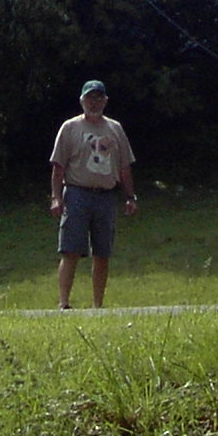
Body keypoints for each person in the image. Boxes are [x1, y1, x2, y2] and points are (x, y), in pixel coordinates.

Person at [48, 79, 138, 309]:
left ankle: (98, 305)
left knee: (102, 252)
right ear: (82, 101)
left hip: (106, 196)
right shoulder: (70, 128)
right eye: (90, 98)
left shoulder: (115, 129)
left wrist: (130, 196)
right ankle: (64, 303)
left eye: (98, 98)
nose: (94, 103)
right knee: (70, 250)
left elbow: (124, 166)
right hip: (77, 193)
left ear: (105, 101)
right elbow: (58, 166)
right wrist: (56, 197)